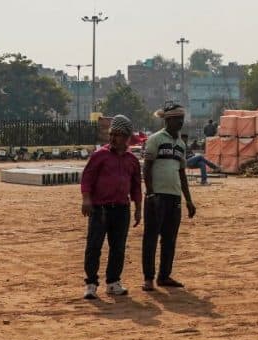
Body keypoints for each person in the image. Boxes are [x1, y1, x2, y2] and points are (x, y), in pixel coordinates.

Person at [80, 114, 142, 299]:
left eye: (118, 135)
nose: (113, 138)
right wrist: (86, 199)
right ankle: (91, 283)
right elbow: (87, 178)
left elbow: (136, 185)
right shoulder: (100, 156)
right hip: (100, 209)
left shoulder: (132, 160)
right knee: (94, 246)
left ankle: (113, 282)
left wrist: (138, 208)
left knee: (118, 247)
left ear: (127, 138)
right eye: (112, 134)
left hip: (121, 209)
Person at [142, 101, 196, 291]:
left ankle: (164, 276)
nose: (181, 123)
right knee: (151, 238)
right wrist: (150, 194)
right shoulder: (155, 140)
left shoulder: (181, 144)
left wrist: (188, 199)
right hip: (156, 197)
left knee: (170, 239)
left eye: (182, 119)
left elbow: (182, 173)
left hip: (174, 197)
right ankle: (148, 278)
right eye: (178, 119)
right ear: (168, 120)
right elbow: (146, 168)